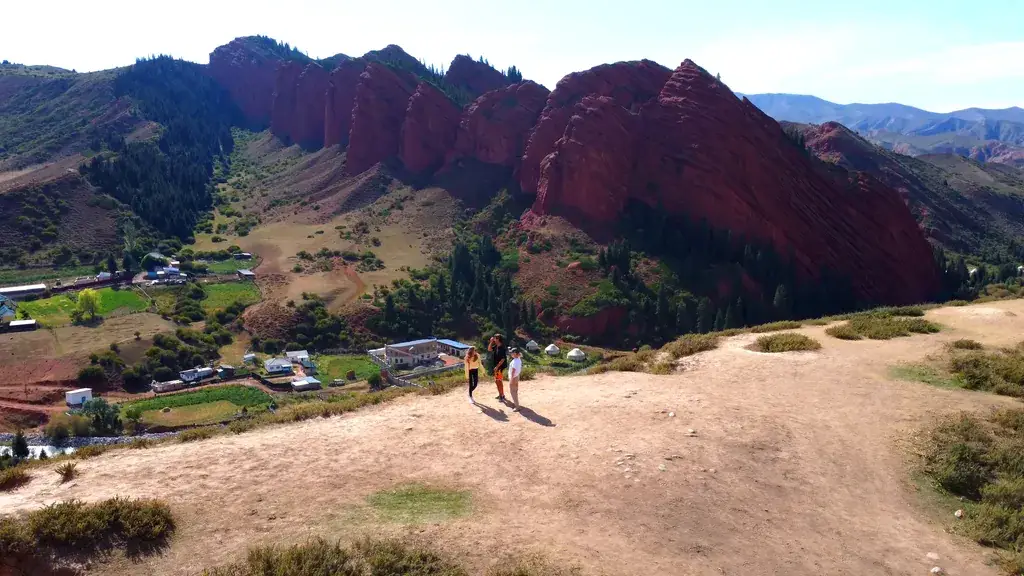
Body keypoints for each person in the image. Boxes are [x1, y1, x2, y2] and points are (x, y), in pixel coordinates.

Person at [488, 333, 508, 403]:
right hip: (497, 366)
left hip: (499, 367)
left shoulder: (502, 347)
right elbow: (489, 349)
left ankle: (502, 395)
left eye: (495, 338)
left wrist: (497, 367)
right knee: (497, 381)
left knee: (498, 381)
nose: (494, 339)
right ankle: (500, 394)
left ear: (498, 339)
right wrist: (491, 342)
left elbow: (503, 359)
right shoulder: (496, 346)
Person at [508, 348, 523, 412]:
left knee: (513, 392)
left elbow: (513, 371)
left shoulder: (515, 361)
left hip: (514, 377)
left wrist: (511, 379)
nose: (511, 354)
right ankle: (517, 405)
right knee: (515, 391)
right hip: (516, 377)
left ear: (514, 353)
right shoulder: (518, 359)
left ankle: (517, 407)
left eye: (512, 353)